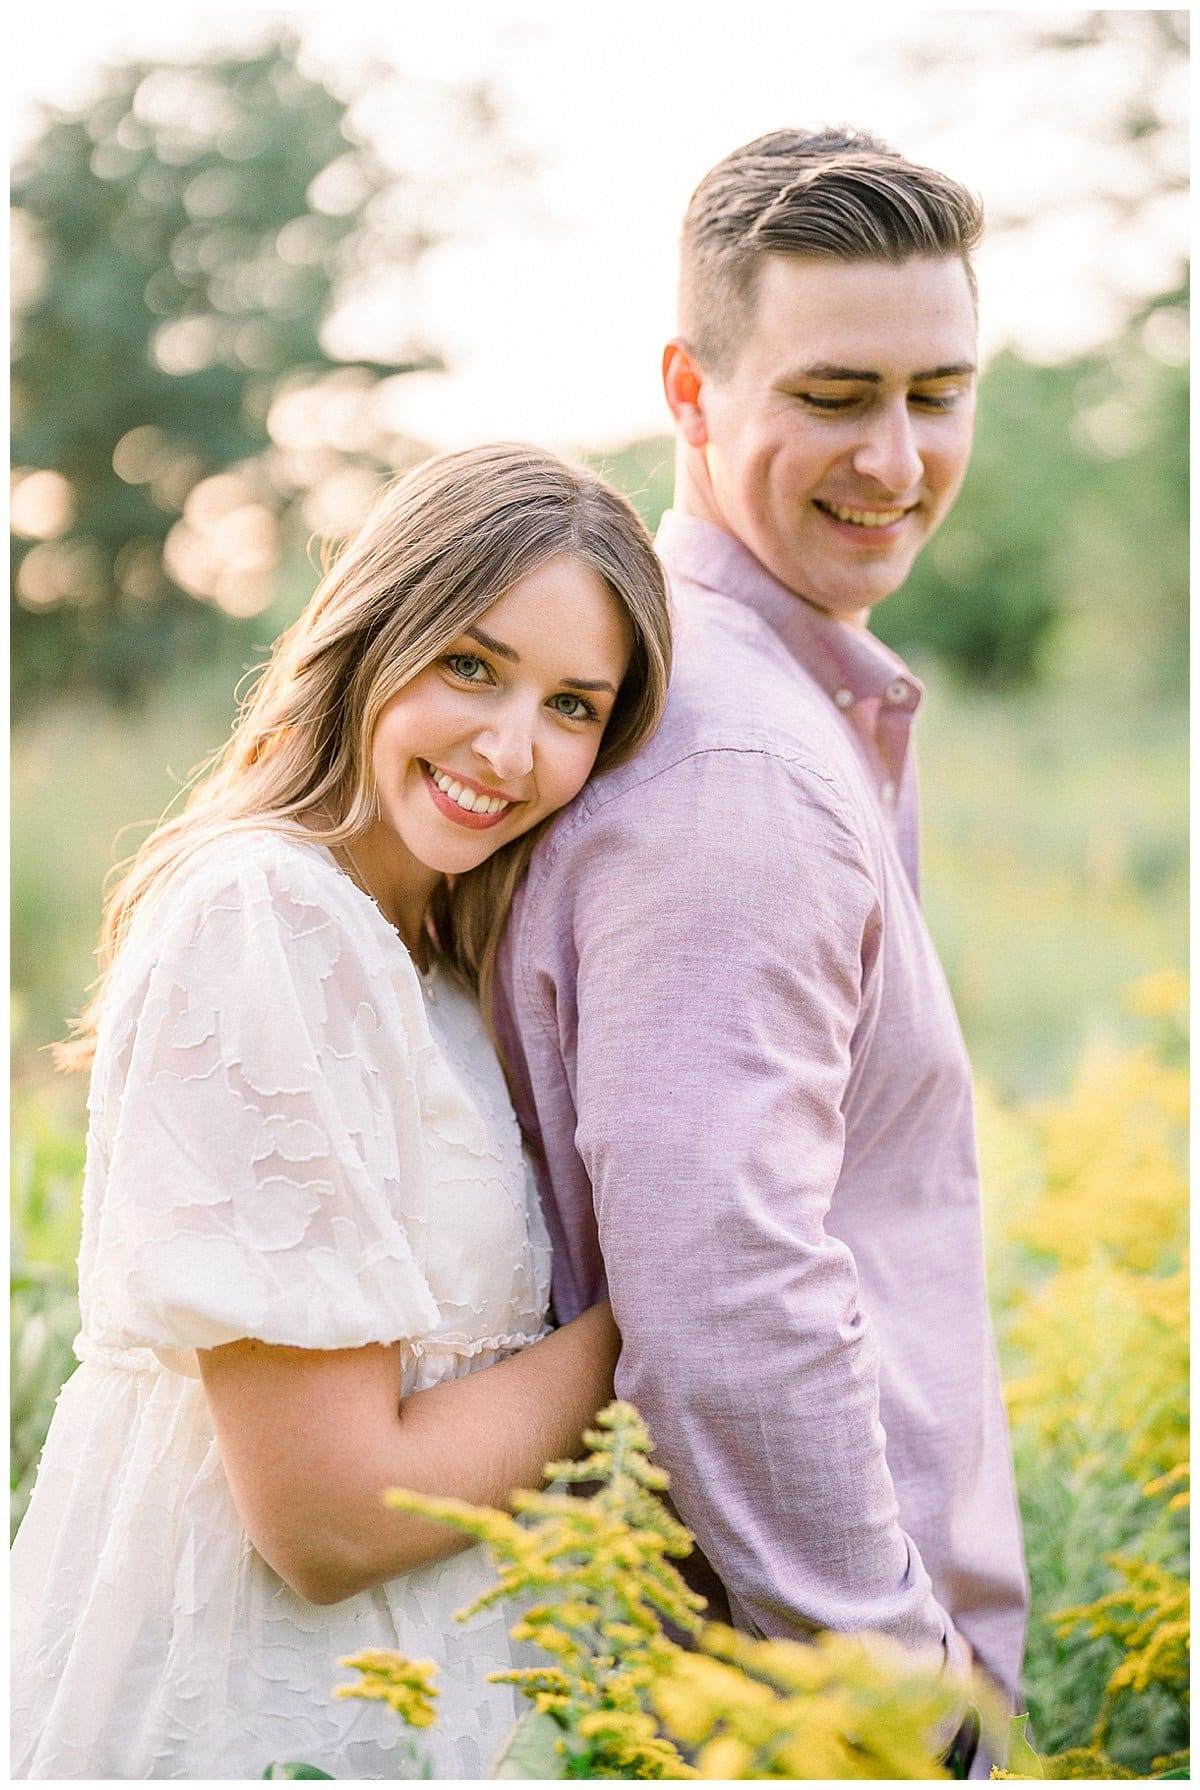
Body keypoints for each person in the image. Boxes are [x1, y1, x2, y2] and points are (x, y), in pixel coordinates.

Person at [10, 443, 672, 1780]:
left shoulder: (429, 948)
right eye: (471, 665)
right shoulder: (273, 913)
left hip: (441, 1688)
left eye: (573, 706)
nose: (509, 747)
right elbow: (331, 1519)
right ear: (375, 634)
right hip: (261, 1702)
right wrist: (664, 1318)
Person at [493, 127, 1029, 1761]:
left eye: (937, 392)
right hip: (798, 1717)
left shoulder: (772, 695)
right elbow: (726, 1291)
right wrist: (899, 1701)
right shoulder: (737, 765)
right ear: (692, 386)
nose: (896, 457)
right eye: (836, 391)